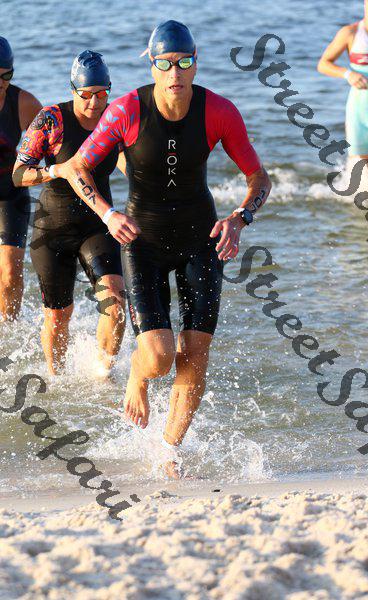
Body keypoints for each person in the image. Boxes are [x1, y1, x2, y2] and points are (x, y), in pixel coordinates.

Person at [51, 21, 271, 477]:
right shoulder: (127, 110)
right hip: (142, 242)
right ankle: (136, 371)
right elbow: (77, 168)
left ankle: (170, 448)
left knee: (196, 353)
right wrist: (108, 214)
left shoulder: (219, 111)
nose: (176, 73)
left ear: (196, 63)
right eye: (166, 64)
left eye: (185, 62)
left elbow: (259, 179)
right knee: (159, 355)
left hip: (200, 240)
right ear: (152, 65)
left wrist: (239, 218)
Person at [12, 50, 126, 377]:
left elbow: (128, 159)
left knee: (115, 302)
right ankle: (57, 379)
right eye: (86, 94)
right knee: (58, 316)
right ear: (73, 89)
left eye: (102, 94)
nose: (94, 102)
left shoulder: (115, 118)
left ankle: (103, 375)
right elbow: (19, 175)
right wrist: (56, 170)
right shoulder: (51, 119)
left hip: (97, 225)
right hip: (53, 229)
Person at [317, 0, 368, 188]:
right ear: (364, 2)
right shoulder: (350, 33)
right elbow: (323, 64)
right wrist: (348, 74)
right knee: (365, 172)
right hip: (358, 113)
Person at [0, 36, 41, 320]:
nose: (1, 82)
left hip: (10, 193)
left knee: (11, 273)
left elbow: (55, 144)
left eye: (7, 75)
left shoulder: (24, 103)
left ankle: (8, 334)